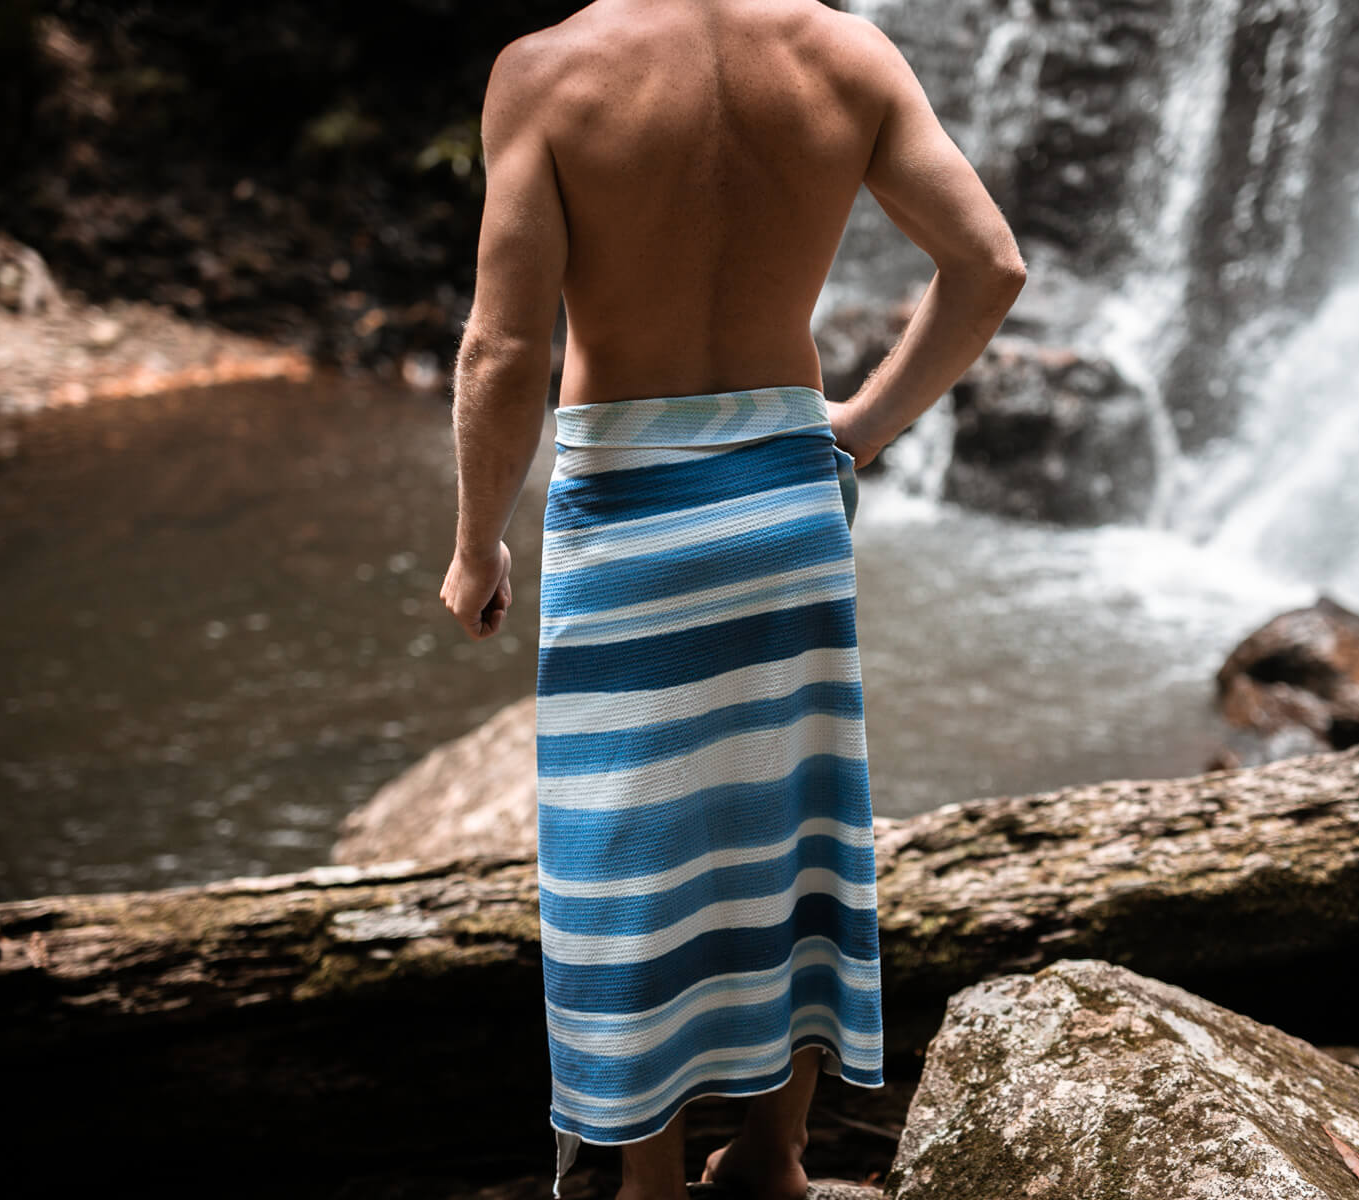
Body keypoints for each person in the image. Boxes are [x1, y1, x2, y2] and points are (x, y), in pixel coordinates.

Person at [439, 2, 1024, 1198]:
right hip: (786, 507)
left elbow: (505, 351)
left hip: (628, 516)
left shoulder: (548, 73)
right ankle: (774, 1154)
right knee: (789, 829)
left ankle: (651, 1176)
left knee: (626, 860)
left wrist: (476, 546)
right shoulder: (843, 53)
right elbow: (989, 266)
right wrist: (856, 429)